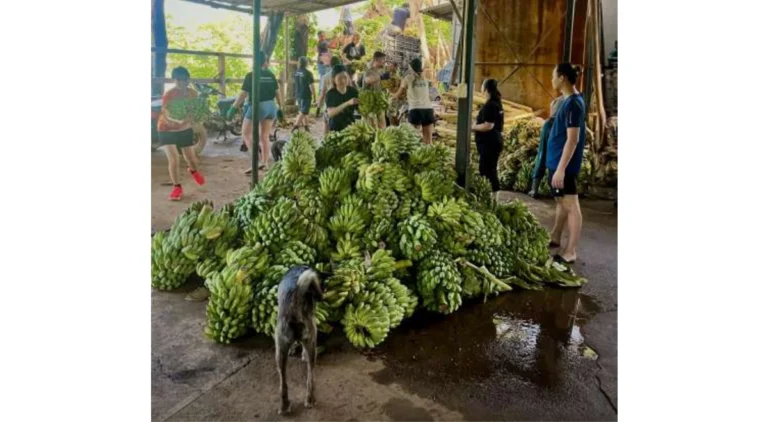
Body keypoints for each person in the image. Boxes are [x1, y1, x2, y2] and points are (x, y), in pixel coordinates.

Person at [546, 63, 587, 264]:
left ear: (562, 78)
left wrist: (561, 169)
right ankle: (555, 236)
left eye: (554, 76)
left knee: (571, 205)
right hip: (556, 161)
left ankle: (570, 251)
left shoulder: (573, 105)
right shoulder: (568, 101)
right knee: (561, 201)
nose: (552, 80)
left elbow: (573, 140)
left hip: (565, 166)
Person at [228, 51, 283, 174]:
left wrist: (233, 108)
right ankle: (265, 163)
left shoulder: (251, 75)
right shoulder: (270, 75)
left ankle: (256, 161)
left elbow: (243, 94)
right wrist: (280, 108)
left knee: (246, 134)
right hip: (271, 107)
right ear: (264, 62)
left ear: (254, 61)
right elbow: (277, 93)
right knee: (264, 136)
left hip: (258, 106)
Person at [157, 66, 206, 201]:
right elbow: (165, 114)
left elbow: (195, 110)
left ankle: (193, 170)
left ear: (188, 80)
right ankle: (177, 187)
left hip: (184, 128)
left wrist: (191, 120)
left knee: (191, 158)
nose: (181, 82)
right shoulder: (169, 94)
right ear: (174, 80)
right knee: (174, 158)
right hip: (166, 128)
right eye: (178, 80)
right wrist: (177, 121)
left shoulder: (193, 94)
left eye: (184, 80)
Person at [471, 79, 505, 201]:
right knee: (490, 169)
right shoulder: (497, 103)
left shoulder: (490, 104)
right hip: (494, 142)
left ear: (486, 89)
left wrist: (474, 127)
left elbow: (488, 125)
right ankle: (493, 198)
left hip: (490, 143)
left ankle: (491, 199)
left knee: (487, 171)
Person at [528, 95, 565, 197]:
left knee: (542, 154)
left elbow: (552, 111)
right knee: (556, 157)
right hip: (559, 126)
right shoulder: (570, 99)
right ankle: (557, 191)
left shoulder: (559, 99)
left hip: (550, 124)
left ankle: (534, 189)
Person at [394, 57, 434, 143]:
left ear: (411, 67)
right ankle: (430, 154)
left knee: (413, 139)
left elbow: (398, 95)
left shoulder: (408, 78)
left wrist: (391, 96)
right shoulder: (425, 79)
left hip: (415, 109)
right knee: (428, 140)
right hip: (428, 109)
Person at [325, 64, 359, 132]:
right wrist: (347, 103)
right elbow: (330, 113)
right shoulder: (330, 94)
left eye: (345, 77)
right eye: (339, 78)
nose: (343, 81)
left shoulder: (353, 91)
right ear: (334, 79)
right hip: (335, 129)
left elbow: (359, 109)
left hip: (351, 127)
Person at [362, 51, 388, 128]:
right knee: (370, 127)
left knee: (382, 126)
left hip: (379, 103)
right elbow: (367, 80)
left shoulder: (381, 71)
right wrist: (381, 77)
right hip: (370, 104)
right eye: (383, 60)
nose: (384, 62)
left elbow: (382, 86)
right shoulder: (368, 71)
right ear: (376, 60)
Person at [317, 56, 342, 134]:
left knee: (326, 126)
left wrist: (318, 107)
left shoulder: (325, 77)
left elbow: (322, 93)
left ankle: (325, 143)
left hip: (329, 104)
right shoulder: (344, 76)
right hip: (341, 103)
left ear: (330, 65)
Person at [292, 56, 315, 132]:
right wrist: (314, 95)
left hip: (298, 94)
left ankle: (306, 126)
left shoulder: (296, 72)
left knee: (302, 111)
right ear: (306, 63)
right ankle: (296, 125)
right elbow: (311, 85)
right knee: (304, 111)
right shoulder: (308, 73)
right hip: (306, 94)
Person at [384, 62, 404, 126]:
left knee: (391, 115)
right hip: (397, 98)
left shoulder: (394, 76)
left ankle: (393, 128)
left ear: (395, 67)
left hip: (394, 98)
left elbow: (390, 88)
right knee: (394, 115)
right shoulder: (397, 75)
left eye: (391, 65)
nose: (389, 67)